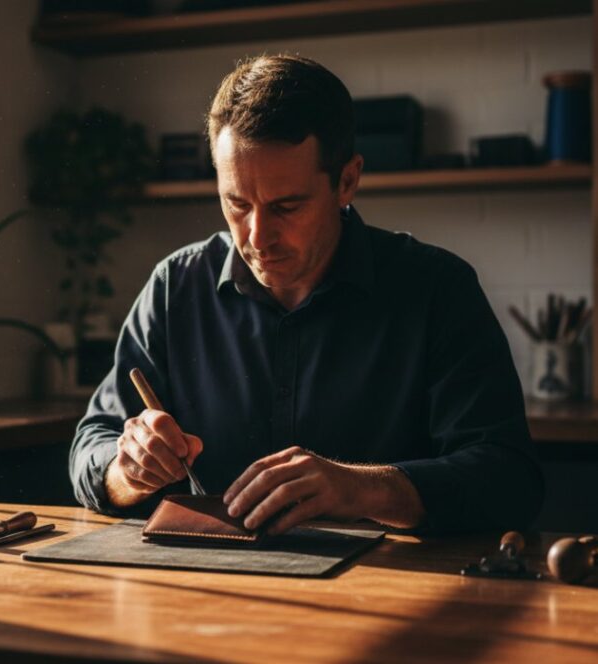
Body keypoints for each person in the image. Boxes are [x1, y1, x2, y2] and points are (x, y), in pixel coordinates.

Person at [69, 55, 543, 534]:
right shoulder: (176, 287)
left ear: (348, 181)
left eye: (286, 207)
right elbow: (92, 446)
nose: (257, 237)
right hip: (204, 591)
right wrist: (127, 470)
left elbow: (509, 480)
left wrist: (362, 488)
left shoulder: (438, 288)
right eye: (236, 204)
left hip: (386, 593)